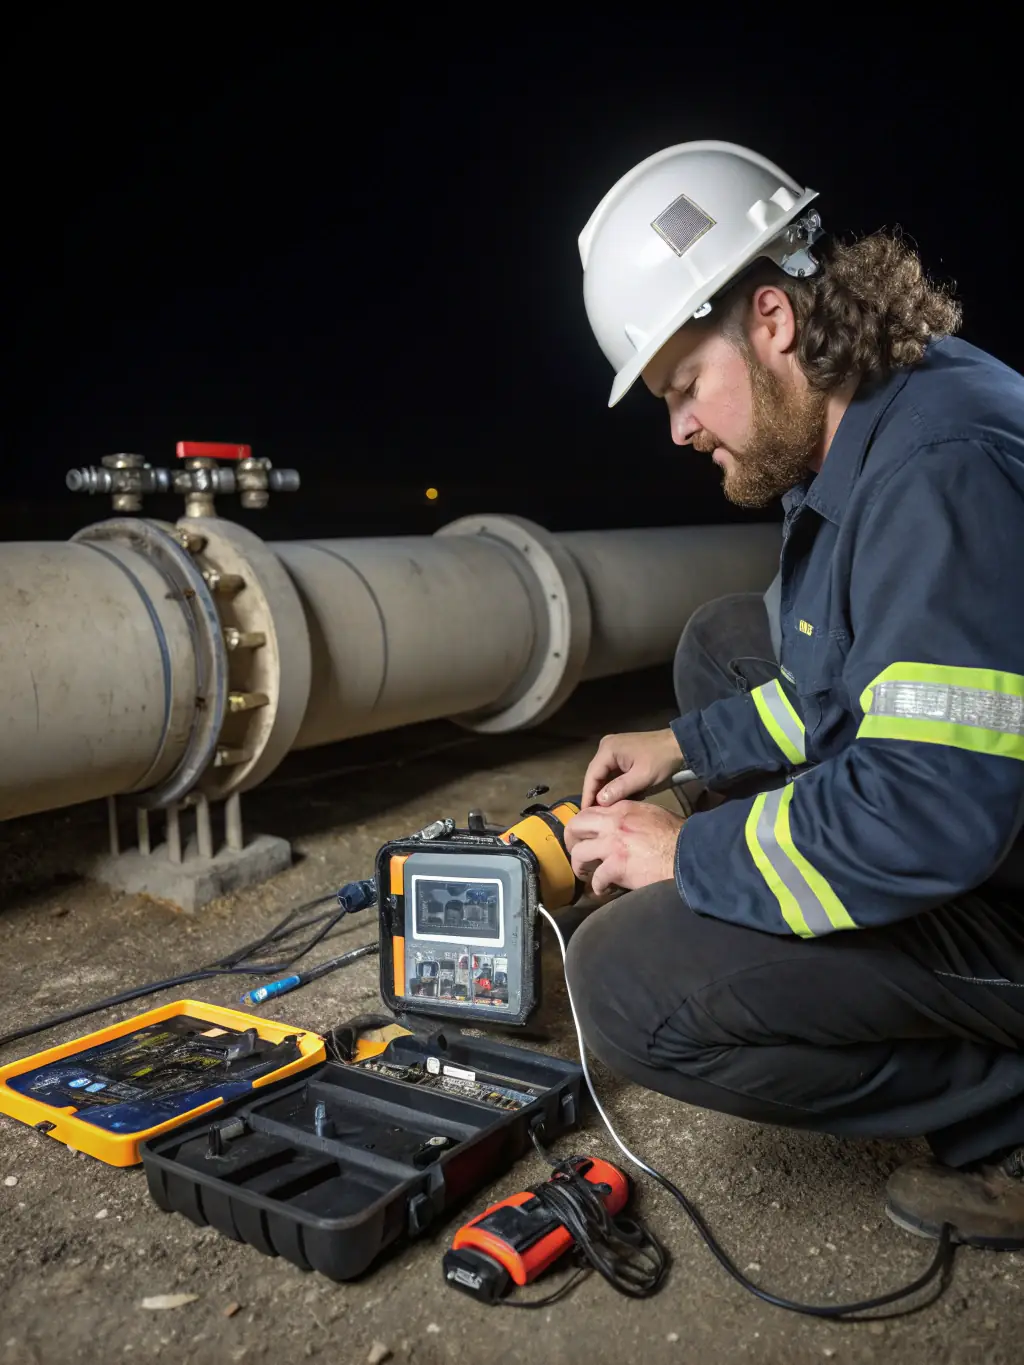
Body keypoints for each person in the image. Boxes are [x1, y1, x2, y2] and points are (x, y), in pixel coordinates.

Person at [563, 141, 1024, 1250]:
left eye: (682, 386)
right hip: (985, 809)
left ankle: (1006, 1109)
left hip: (994, 863)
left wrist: (691, 857)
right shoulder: (868, 420)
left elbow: (926, 809)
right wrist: (682, 750)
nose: (677, 427)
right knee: (726, 644)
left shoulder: (940, 471)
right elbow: (833, 690)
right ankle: (780, 874)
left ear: (769, 318)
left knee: (618, 981)